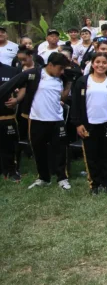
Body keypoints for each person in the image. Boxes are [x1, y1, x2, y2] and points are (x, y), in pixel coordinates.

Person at [0, 52, 72, 190]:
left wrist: (68, 84)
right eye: (60, 68)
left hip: (57, 119)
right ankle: (43, 178)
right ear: (50, 65)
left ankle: (62, 178)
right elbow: (11, 84)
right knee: (38, 150)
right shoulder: (33, 74)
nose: (62, 71)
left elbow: (62, 98)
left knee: (60, 150)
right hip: (37, 119)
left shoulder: (62, 77)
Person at [70, 52, 107, 194]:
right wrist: (78, 124)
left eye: (104, 62)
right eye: (97, 62)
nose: (101, 65)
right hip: (88, 125)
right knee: (91, 155)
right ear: (92, 64)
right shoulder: (82, 81)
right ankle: (94, 184)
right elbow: (75, 104)